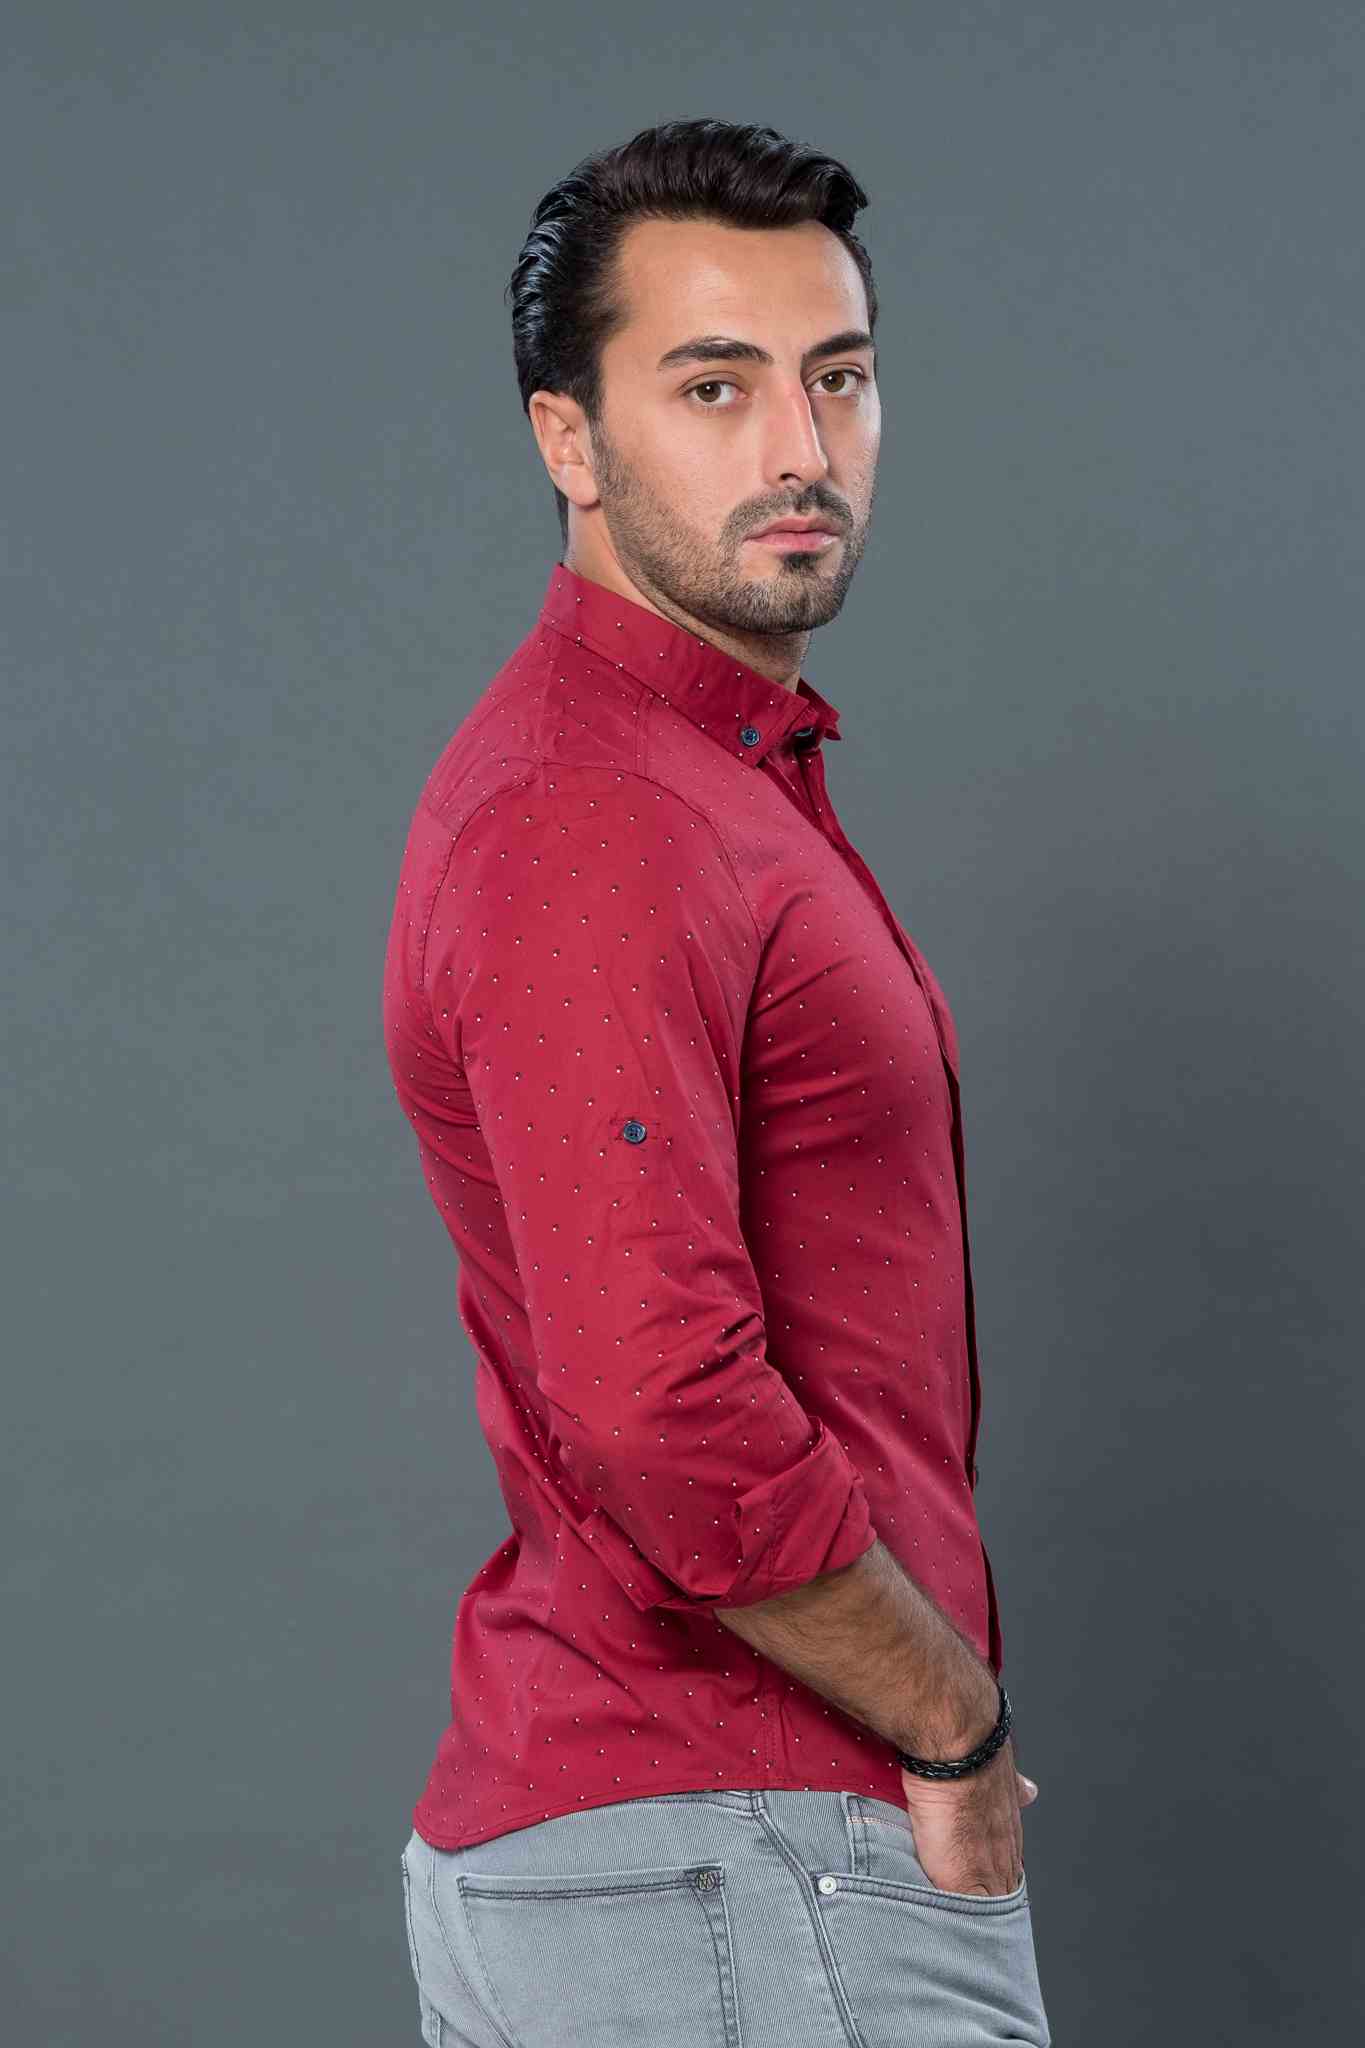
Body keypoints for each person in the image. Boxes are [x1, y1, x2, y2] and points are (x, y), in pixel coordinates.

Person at [384, 115, 1051, 2047]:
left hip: (688, 1858)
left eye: (836, 377)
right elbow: (657, 1400)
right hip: (744, 1848)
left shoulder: (697, 782)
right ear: (567, 439)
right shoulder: (598, 812)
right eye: (712, 385)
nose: (796, 448)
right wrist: (951, 1725)